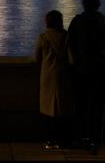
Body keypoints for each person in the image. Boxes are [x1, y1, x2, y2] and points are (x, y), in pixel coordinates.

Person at [67, 0, 105, 154]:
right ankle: (96, 140)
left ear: (83, 4)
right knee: (98, 107)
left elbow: (70, 45)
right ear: (98, 5)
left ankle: (82, 138)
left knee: (81, 106)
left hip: (81, 70)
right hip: (101, 70)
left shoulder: (76, 22)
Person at [34, 10, 73, 149]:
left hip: (47, 77)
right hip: (63, 76)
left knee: (47, 110)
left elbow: (36, 59)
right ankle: (61, 140)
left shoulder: (43, 38)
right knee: (62, 109)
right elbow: (72, 59)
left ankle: (49, 140)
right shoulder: (66, 37)